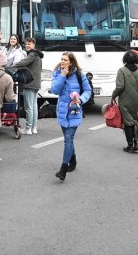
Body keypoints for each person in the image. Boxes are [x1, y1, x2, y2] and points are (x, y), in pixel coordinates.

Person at [51, 52, 91, 181]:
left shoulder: (79, 75)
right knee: (68, 139)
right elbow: (55, 90)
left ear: (71, 62)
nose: (62, 62)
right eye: (61, 59)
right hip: (62, 112)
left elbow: (88, 90)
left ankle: (63, 169)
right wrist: (62, 76)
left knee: (68, 139)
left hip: (75, 112)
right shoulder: (57, 73)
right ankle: (73, 160)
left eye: (65, 60)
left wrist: (81, 99)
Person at [112, 50, 138, 153]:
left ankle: (130, 145)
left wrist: (113, 95)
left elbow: (120, 86)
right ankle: (137, 142)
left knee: (128, 123)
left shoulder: (122, 70)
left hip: (125, 101)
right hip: (136, 101)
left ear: (125, 59)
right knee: (134, 120)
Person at [10, 37, 43, 135]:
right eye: (26, 44)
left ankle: (28, 128)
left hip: (29, 83)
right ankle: (34, 128)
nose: (27, 45)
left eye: (30, 44)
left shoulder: (32, 54)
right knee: (34, 106)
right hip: (36, 83)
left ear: (34, 45)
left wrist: (10, 66)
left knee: (29, 107)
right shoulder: (38, 55)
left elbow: (22, 63)